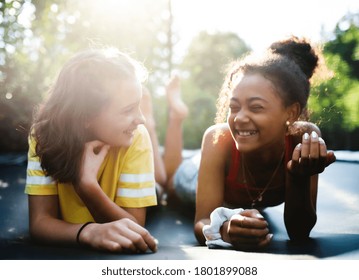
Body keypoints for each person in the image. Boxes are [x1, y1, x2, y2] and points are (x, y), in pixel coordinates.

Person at [192, 36, 336, 250]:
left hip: (243, 203)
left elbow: (299, 231)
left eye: (256, 107)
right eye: (234, 107)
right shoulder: (218, 139)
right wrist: (222, 230)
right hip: (191, 177)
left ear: (291, 113)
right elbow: (201, 221)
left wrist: (299, 176)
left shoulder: (303, 139)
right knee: (174, 182)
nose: (240, 118)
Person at [25, 48, 158, 253]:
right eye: (127, 110)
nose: (140, 119)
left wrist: (87, 186)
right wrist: (88, 232)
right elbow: (40, 222)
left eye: (138, 106)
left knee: (163, 185)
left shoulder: (136, 136)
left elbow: (135, 229)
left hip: (147, 186)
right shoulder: (44, 136)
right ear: (85, 116)